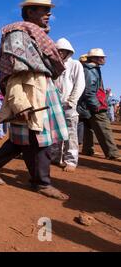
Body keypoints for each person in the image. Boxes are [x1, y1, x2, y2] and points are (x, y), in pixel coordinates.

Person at [0, 0, 69, 200]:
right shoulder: (17, 34)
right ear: (30, 11)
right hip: (29, 93)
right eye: (44, 10)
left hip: (41, 89)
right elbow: (12, 74)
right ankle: (41, 183)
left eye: (49, 10)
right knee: (38, 140)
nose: (48, 14)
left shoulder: (37, 36)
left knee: (27, 140)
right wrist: (20, 103)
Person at [77, 48, 121, 161]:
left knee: (89, 127)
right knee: (104, 128)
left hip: (87, 105)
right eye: (101, 57)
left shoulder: (90, 69)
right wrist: (96, 105)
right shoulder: (91, 70)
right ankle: (113, 153)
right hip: (93, 104)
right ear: (93, 58)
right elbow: (89, 91)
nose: (103, 59)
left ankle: (87, 149)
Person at [49, 38, 85, 172]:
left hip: (69, 105)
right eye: (58, 51)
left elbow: (80, 84)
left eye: (63, 51)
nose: (60, 53)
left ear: (68, 52)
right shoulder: (53, 66)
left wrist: (72, 100)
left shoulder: (75, 64)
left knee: (71, 134)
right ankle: (55, 157)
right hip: (55, 104)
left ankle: (71, 161)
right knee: (56, 132)